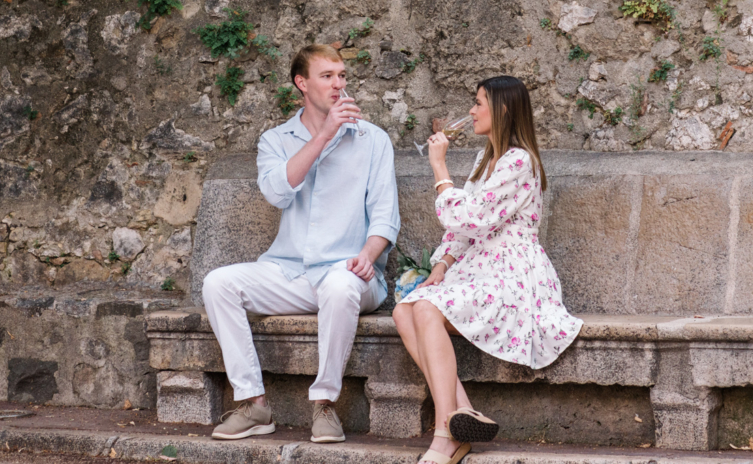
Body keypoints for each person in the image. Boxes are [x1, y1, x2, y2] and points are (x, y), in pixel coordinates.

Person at [202, 44, 400, 444]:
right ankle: (255, 404)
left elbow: (385, 215)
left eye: (342, 75)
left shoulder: (372, 139)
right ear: (302, 83)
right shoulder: (276, 140)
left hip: (350, 274)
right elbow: (278, 193)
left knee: (341, 285)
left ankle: (324, 406)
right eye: (327, 76)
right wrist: (324, 136)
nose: (338, 84)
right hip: (289, 271)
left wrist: (368, 256)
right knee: (218, 283)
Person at [393, 75, 582, 464]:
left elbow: (474, 217)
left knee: (426, 309)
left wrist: (440, 170)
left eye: (479, 103)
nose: (471, 111)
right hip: (479, 269)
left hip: (514, 274)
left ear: (503, 109)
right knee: (403, 309)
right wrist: (443, 264)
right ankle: (462, 413)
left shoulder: (519, 161)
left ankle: (445, 435)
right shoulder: (486, 158)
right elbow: (465, 231)